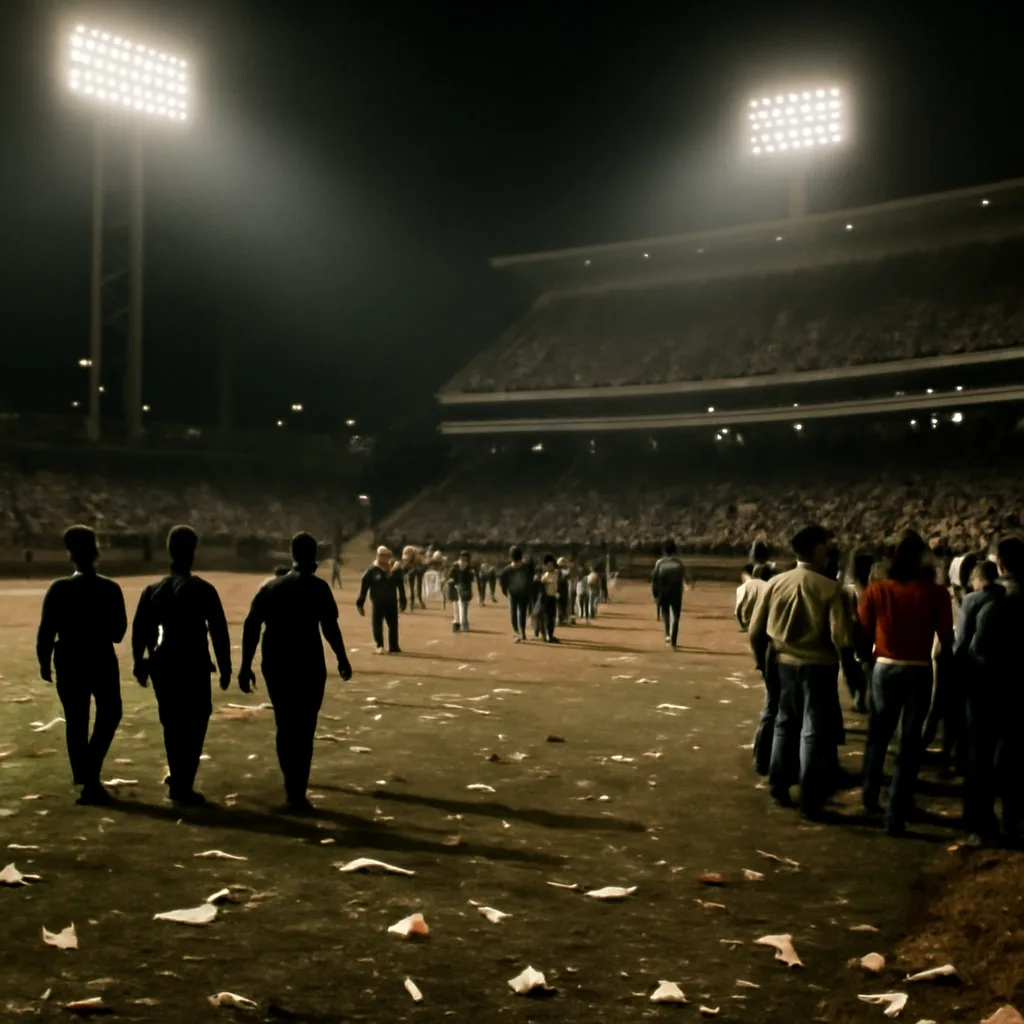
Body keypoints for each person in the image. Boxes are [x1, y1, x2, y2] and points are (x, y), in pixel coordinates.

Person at [239, 532, 353, 812]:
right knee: (305, 728)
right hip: (309, 664)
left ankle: (291, 788)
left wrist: (244, 666)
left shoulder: (271, 587)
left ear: (291, 554)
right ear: (314, 556)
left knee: (285, 724)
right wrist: (342, 658)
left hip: (277, 663)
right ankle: (298, 792)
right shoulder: (318, 588)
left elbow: (252, 626)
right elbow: (330, 627)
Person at [748, 524, 853, 820]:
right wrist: (850, 666)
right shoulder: (830, 588)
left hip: (784, 663)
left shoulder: (775, 583)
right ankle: (810, 794)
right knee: (813, 732)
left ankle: (779, 784)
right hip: (819, 666)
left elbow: (756, 631)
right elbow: (840, 637)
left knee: (784, 723)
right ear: (818, 550)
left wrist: (763, 662)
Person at [859, 530, 954, 836]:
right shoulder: (936, 593)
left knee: (878, 735)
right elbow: (946, 639)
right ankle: (897, 811)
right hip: (918, 669)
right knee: (909, 743)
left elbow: (861, 628)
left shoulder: (877, 589)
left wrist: (869, 657)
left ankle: (870, 795)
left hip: (884, 666)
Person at [131, 525, 232, 805]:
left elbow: (141, 629)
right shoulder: (202, 589)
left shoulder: (153, 590)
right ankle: (183, 782)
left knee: (172, 721)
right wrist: (225, 666)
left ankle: (178, 776)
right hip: (194, 663)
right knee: (196, 720)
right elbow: (218, 630)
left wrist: (139, 662)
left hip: (163, 664)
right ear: (194, 552)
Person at [36, 526, 127, 806]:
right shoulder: (110, 589)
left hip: (68, 658)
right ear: (96, 552)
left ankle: (86, 777)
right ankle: (91, 774)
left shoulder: (59, 589)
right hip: (100, 657)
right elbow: (118, 633)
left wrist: (43, 661)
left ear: (70, 555)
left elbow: (46, 630)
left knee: (76, 720)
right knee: (110, 713)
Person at [958, 537, 1024, 844]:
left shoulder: (981, 599)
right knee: (1014, 755)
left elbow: (968, 647)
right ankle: (1013, 821)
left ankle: (981, 825)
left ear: (999, 563)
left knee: (979, 757)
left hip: (985, 686)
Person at [356, 545, 407, 654]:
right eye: (380, 555)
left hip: (392, 602)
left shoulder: (394, 571)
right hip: (378, 603)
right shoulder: (372, 571)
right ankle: (380, 645)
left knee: (393, 624)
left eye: (385, 555)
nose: (383, 557)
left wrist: (403, 600)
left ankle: (394, 646)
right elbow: (364, 588)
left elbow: (401, 586)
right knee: (377, 625)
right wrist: (360, 603)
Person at [652, 540, 686, 649]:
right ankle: (674, 642)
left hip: (664, 592)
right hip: (676, 592)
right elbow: (683, 577)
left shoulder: (660, 563)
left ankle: (667, 635)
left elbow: (654, 579)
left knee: (665, 614)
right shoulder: (679, 563)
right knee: (675, 617)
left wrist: (655, 594)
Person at [500, 546, 533, 643]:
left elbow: (530, 580)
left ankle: (522, 632)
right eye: (515, 562)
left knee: (522, 613)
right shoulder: (507, 570)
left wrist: (529, 592)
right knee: (513, 613)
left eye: (519, 562)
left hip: (524, 594)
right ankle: (516, 631)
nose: (518, 564)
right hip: (512, 594)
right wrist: (507, 593)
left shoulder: (526, 568)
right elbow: (503, 583)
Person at [447, 551, 476, 632]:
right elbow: (450, 578)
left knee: (463, 606)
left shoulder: (469, 570)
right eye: (462, 560)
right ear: (459, 559)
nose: (463, 562)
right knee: (455, 606)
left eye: (465, 561)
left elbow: (469, 581)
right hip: (454, 589)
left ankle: (464, 624)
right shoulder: (454, 567)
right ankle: (456, 623)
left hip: (464, 590)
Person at [736, 563, 767, 632]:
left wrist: (742, 625)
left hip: (750, 622)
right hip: (765, 621)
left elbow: (738, 609)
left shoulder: (743, 587)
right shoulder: (767, 585)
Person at [538, 554, 560, 643]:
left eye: (552, 565)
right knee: (547, 617)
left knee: (552, 617)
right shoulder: (545, 576)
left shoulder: (555, 575)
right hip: (546, 599)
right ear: (546, 566)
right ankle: (546, 635)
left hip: (553, 598)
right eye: (549, 565)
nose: (551, 566)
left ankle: (550, 634)